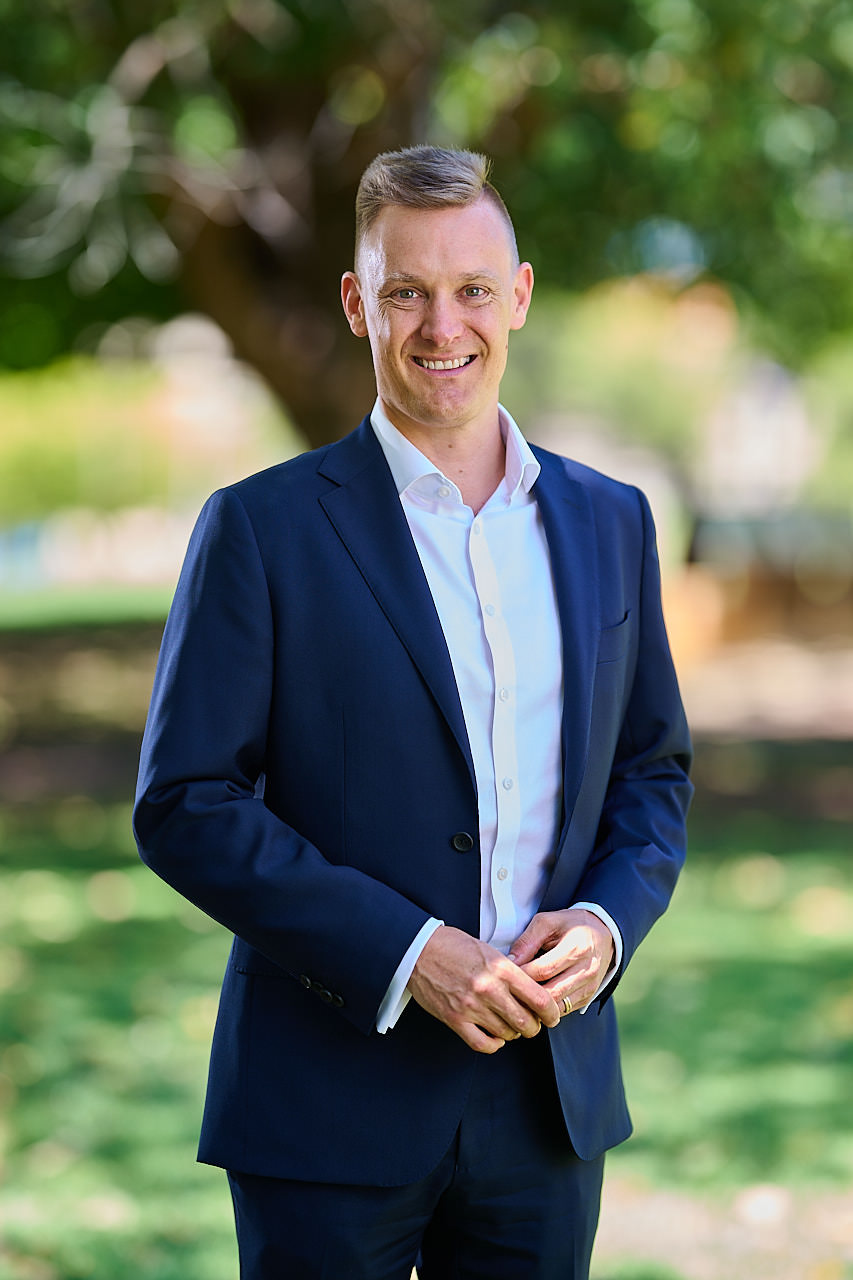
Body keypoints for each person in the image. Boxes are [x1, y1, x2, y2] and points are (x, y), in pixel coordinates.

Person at [133, 145, 692, 1280]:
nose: (444, 325)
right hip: (326, 1100)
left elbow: (652, 772)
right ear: (356, 303)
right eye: (406, 291)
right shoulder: (261, 529)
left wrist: (603, 925)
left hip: (547, 1102)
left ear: (519, 296)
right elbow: (185, 802)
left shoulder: (611, 523)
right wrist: (407, 952)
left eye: (472, 288)